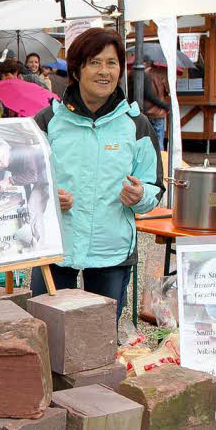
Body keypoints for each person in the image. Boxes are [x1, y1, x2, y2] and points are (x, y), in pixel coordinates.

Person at [31, 28, 163, 319]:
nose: (105, 71)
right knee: (45, 334)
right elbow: (24, 181)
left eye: (112, 63)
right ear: (77, 70)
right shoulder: (48, 121)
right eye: (95, 62)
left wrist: (140, 196)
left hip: (111, 250)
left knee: (98, 344)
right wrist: (47, 197)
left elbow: (155, 187)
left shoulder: (136, 124)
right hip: (56, 247)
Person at [133, 56, 171, 150]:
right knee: (158, 141)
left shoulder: (138, 75)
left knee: (145, 141)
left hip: (144, 111)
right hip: (158, 112)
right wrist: (165, 106)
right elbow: (167, 91)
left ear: (145, 63)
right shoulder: (161, 74)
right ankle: (161, 162)